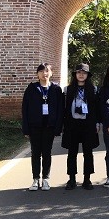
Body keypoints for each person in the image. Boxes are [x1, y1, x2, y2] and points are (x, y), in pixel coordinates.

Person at [21, 63, 64, 191]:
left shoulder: (56, 89)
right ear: (37, 74)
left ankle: (45, 179)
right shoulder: (31, 88)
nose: (44, 74)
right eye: (41, 71)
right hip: (34, 126)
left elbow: (60, 109)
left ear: (51, 73)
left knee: (47, 153)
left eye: (46, 71)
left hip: (49, 127)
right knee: (35, 153)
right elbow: (25, 109)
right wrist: (26, 128)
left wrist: (58, 127)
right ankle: (35, 179)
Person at [61, 63, 100, 190]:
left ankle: (87, 179)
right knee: (72, 153)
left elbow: (96, 109)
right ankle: (71, 179)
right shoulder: (68, 90)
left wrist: (97, 123)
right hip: (72, 124)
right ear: (75, 75)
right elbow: (63, 108)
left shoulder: (93, 89)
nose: (81, 75)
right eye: (79, 72)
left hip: (88, 124)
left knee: (88, 153)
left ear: (88, 75)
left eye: (84, 73)